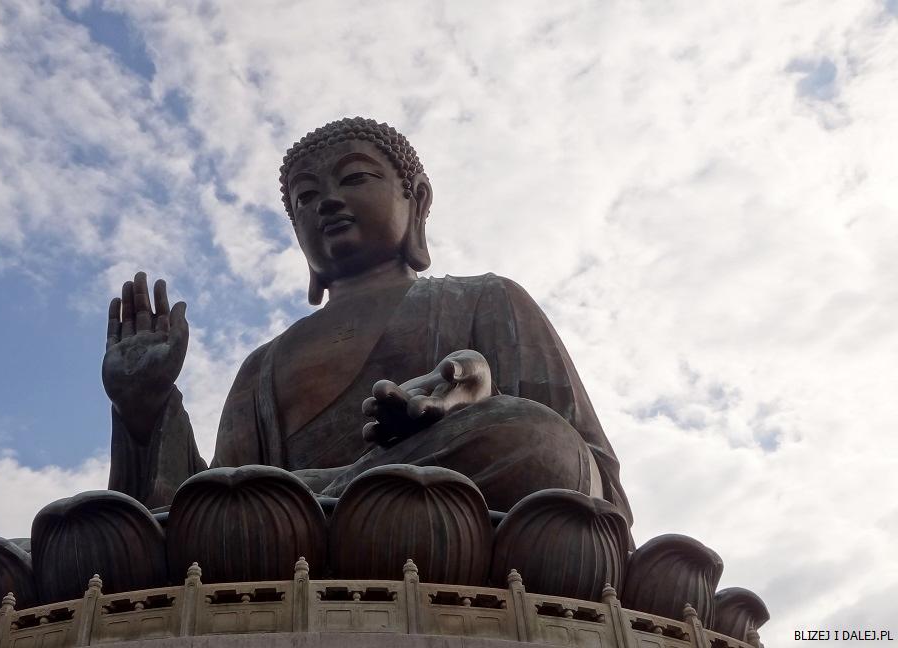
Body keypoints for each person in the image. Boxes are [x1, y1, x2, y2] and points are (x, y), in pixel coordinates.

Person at [101, 117, 631, 527]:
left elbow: (589, 472)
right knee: (209, 511)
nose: (327, 201)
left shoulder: (487, 299)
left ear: (417, 201)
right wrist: (143, 406)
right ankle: (331, 500)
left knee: (533, 436)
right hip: (282, 536)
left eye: (354, 178)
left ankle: (329, 500)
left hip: (459, 513)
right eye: (305, 197)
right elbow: (203, 498)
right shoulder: (263, 366)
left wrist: (464, 410)